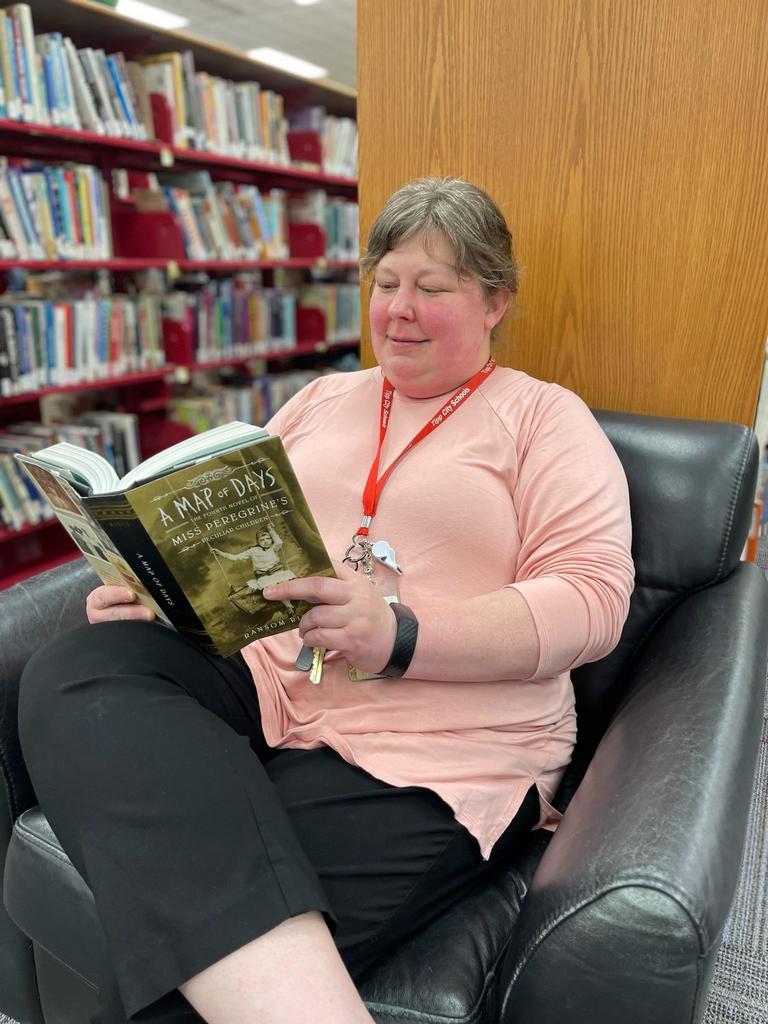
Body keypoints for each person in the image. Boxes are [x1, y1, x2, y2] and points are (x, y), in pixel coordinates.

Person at [18, 177, 635, 1024]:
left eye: (433, 287)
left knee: (195, 970)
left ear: (495, 300)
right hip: (272, 677)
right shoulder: (323, 397)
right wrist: (161, 586)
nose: (399, 311)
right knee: (82, 666)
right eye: (385, 283)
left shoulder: (544, 420)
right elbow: (236, 522)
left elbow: (593, 598)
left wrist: (403, 635)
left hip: (438, 742)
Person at [211, 524, 296, 614]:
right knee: (272, 587)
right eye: (262, 540)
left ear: (272, 539)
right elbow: (235, 557)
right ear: (258, 541)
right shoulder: (253, 551)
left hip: (277, 573)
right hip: (264, 577)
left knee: (283, 585)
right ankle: (289, 606)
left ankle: (289, 605)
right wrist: (220, 553)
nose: (266, 542)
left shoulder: (273, 548)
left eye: (268, 539)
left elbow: (279, 542)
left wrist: (270, 529)